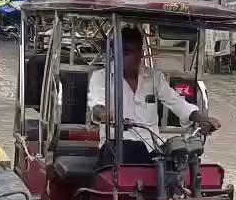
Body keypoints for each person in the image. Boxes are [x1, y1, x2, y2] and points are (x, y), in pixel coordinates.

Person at [88, 27, 222, 165]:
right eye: (118, 52)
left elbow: (176, 102)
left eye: (127, 52)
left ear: (140, 53)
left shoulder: (154, 77)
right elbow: (97, 105)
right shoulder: (101, 76)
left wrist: (201, 118)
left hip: (151, 146)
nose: (121, 57)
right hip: (116, 146)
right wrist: (106, 114)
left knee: (184, 159)